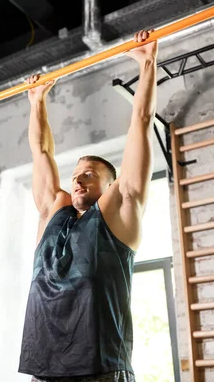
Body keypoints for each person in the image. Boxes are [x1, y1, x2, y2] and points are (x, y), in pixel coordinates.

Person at [18, 29, 158, 382]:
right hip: (44, 370)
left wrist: (147, 63)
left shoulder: (118, 213)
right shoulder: (55, 215)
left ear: (109, 185)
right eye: (77, 174)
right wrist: (36, 101)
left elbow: (140, 125)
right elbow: (42, 153)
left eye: (90, 175)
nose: (78, 180)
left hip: (101, 370)